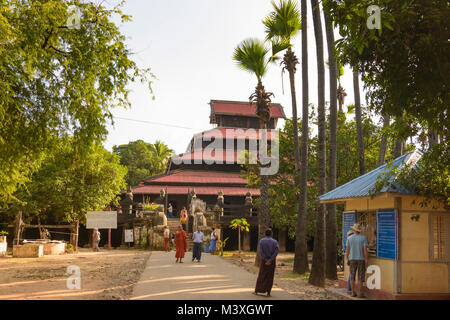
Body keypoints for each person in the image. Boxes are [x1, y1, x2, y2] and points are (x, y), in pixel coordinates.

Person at [345, 223, 369, 298]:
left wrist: (346, 259)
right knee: (360, 277)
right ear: (359, 230)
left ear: (354, 230)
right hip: (361, 259)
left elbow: (347, 251)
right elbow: (365, 251)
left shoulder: (349, 238)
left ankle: (352, 292)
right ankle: (360, 293)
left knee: (352, 276)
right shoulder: (364, 238)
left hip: (352, 259)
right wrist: (366, 260)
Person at [254, 229, 278, 297]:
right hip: (272, 262)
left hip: (263, 261)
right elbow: (276, 251)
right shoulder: (275, 241)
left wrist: (265, 259)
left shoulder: (262, 241)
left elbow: (261, 251)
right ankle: (268, 293)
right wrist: (270, 260)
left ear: (265, 234)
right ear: (271, 234)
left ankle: (257, 291)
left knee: (261, 275)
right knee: (270, 276)